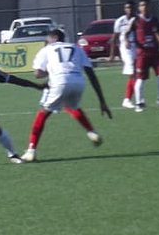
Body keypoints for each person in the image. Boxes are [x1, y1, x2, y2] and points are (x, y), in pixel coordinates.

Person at [22, 28, 111, 163]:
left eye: (48, 39)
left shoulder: (47, 49)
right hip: (78, 82)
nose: (46, 41)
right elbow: (91, 74)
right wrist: (102, 101)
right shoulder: (77, 48)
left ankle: (31, 151)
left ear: (54, 38)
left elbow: (37, 74)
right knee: (70, 106)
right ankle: (91, 132)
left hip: (59, 82)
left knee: (43, 112)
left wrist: (51, 71)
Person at [131, 0, 159, 112]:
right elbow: (128, 32)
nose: (144, 7)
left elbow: (157, 32)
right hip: (142, 54)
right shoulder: (135, 20)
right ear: (139, 8)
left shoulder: (154, 19)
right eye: (142, 5)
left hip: (155, 52)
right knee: (140, 79)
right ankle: (139, 102)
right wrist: (129, 42)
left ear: (149, 6)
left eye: (146, 5)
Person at [108, 0, 138, 109]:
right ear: (125, 9)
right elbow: (114, 38)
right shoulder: (120, 21)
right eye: (127, 7)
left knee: (137, 74)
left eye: (131, 7)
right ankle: (128, 100)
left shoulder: (137, 20)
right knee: (133, 72)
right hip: (125, 48)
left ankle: (132, 99)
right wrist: (112, 54)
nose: (129, 10)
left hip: (137, 48)